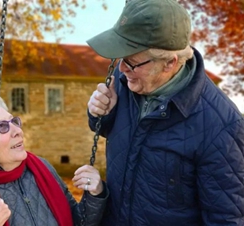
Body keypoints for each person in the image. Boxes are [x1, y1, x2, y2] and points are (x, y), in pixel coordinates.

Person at [86, 0, 244, 225]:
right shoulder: (125, 82)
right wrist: (100, 113)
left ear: (170, 62)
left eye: (132, 63)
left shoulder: (222, 126)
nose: (122, 69)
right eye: (121, 59)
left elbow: (226, 218)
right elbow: (109, 131)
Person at [0, 92, 108, 226]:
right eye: (1, 127)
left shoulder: (42, 169)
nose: (17, 130)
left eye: (13, 122)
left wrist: (95, 195)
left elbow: (77, 221)